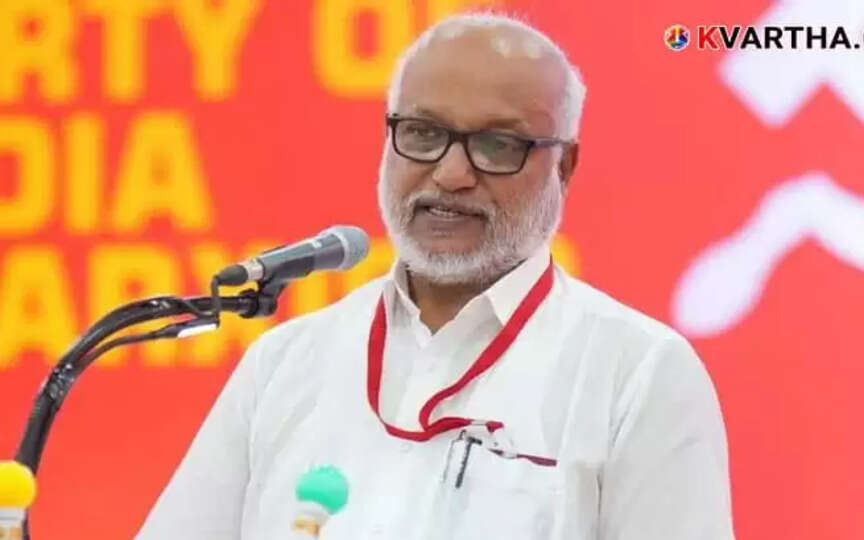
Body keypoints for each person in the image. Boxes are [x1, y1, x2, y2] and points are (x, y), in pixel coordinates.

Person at [137, 13, 734, 540]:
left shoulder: (638, 374)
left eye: (497, 145)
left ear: (565, 166)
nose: (450, 174)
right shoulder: (287, 362)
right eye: (423, 134)